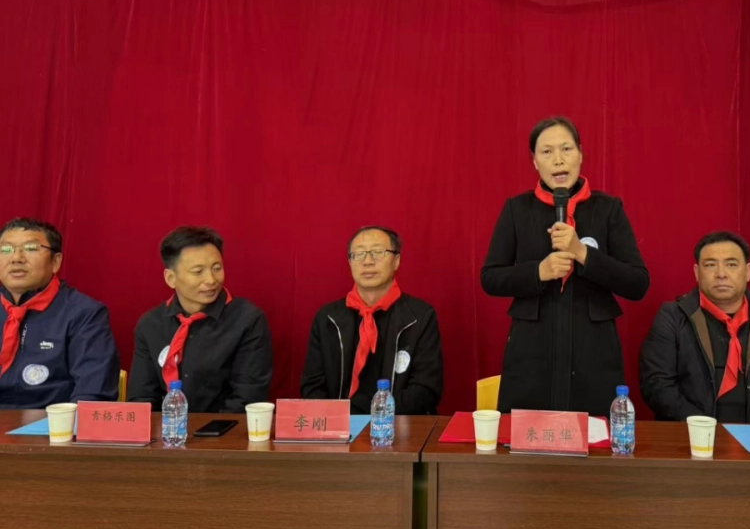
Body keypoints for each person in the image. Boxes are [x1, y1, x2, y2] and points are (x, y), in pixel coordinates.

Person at [481, 117, 649, 417]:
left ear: (581, 154)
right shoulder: (517, 209)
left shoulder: (608, 209)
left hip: (593, 350)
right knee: (528, 438)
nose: (558, 160)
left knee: (593, 438)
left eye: (566, 149)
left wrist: (583, 253)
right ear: (535, 161)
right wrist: (538, 272)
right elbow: (490, 277)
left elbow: (637, 283)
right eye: (546, 152)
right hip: (532, 349)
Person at [639, 231, 750, 421]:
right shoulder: (673, 317)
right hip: (692, 433)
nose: (721, 274)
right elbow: (657, 385)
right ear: (697, 273)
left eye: (731, 265)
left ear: (747, 271)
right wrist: (703, 428)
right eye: (710, 265)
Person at [301, 226, 444, 414]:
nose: (368, 262)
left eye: (378, 252)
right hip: (339, 426)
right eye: (359, 254)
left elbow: (426, 390)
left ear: (396, 261)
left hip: (397, 425)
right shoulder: (328, 318)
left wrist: (377, 417)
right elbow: (312, 387)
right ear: (349, 262)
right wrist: (340, 420)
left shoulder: (420, 316)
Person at [128, 227, 273, 412]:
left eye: (217, 268)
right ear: (171, 278)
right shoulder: (150, 325)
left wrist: (207, 430)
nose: (211, 280)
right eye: (198, 272)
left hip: (227, 428)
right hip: (166, 428)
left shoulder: (248, 320)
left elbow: (247, 399)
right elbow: (142, 398)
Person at [0, 218, 120, 409]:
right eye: (6, 249)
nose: (16, 258)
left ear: (55, 262)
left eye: (31, 248)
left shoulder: (85, 313)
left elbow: (92, 395)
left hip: (51, 423)